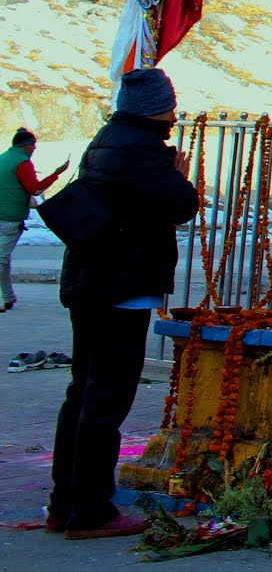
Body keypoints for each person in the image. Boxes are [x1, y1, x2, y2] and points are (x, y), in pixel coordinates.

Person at [49, 66, 198, 539]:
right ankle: (91, 510)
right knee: (106, 399)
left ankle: (65, 501)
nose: (173, 116)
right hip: (121, 288)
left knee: (82, 392)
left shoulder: (107, 140)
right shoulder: (141, 150)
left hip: (90, 282)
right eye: (170, 107)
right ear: (158, 108)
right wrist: (178, 175)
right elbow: (182, 204)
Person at [0, 128, 69, 311]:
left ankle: (7, 297)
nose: (35, 148)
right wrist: (57, 173)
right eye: (33, 145)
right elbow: (34, 189)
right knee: (1, 260)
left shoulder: (3, 158)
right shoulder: (22, 163)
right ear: (26, 145)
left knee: (3, 259)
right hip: (10, 218)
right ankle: (5, 297)